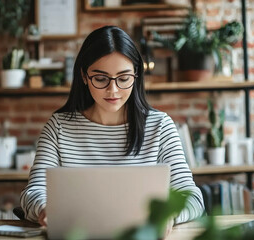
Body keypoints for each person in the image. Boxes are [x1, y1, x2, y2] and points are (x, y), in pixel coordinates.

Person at [20, 25, 204, 231]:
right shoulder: (58, 128)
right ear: (83, 76)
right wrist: (44, 209)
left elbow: (192, 197)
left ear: (136, 76)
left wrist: (170, 215)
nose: (113, 90)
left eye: (124, 78)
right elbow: (33, 192)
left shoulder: (160, 127)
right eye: (100, 79)